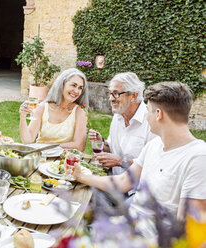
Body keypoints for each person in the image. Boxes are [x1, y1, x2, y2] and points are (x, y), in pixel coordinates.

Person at [73, 81, 206, 238]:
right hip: (127, 227)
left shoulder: (198, 158)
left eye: (148, 111)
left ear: (158, 114)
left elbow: (190, 232)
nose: (146, 116)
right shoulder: (155, 145)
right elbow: (123, 182)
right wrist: (81, 176)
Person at [89, 72, 156, 179]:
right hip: (113, 179)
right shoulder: (119, 115)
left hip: (136, 189)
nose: (111, 99)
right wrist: (101, 142)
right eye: (110, 93)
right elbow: (112, 149)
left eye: (116, 93)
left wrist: (120, 161)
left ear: (134, 96)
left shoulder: (151, 121)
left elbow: (153, 166)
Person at [19, 68, 89, 151]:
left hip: (64, 161)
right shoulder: (42, 108)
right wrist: (22, 117)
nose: (76, 91)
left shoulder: (80, 112)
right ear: (62, 84)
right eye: (73, 85)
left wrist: (45, 146)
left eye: (80, 88)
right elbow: (28, 141)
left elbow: (79, 146)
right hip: (41, 158)